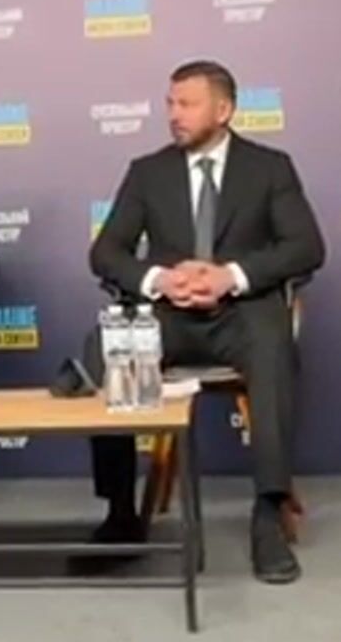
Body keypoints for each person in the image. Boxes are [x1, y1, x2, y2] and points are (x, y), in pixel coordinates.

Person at [87, 60, 325, 584]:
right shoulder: (147, 172)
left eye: (187, 104)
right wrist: (160, 279)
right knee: (105, 350)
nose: (174, 114)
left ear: (224, 109)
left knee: (272, 346)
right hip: (170, 316)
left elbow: (306, 247)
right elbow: (106, 252)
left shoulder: (270, 168)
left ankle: (268, 513)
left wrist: (229, 276)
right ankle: (121, 513)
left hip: (241, 313)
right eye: (170, 103)